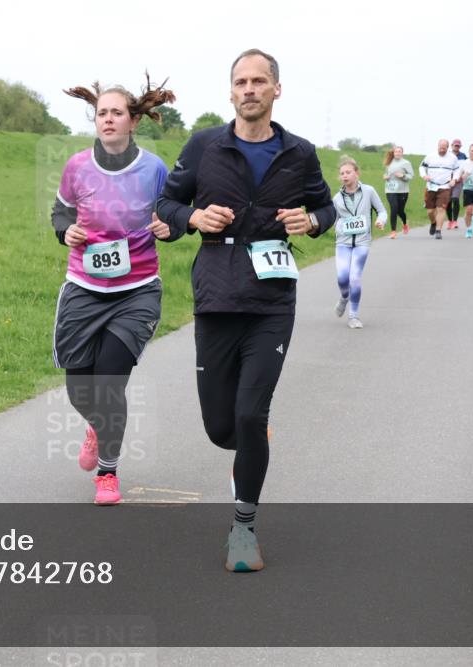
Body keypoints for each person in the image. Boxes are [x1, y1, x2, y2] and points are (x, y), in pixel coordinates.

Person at [155, 49, 336, 572]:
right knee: (221, 426)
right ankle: (251, 439)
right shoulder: (205, 146)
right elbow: (165, 206)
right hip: (217, 295)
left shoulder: (299, 152)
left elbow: (326, 206)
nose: (250, 88)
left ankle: (243, 529)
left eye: (259, 81)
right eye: (241, 81)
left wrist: (314, 221)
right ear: (230, 91)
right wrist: (193, 216)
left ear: (277, 89)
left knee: (251, 412)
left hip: (272, 302)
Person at [51, 76, 176, 505]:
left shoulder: (155, 169)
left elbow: (172, 214)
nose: (107, 119)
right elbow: (61, 211)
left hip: (136, 290)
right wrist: (66, 231)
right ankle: (97, 426)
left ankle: (108, 472)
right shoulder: (77, 166)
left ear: (133, 120)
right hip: (84, 287)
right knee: (79, 388)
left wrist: (168, 226)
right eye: (102, 112)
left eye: (116, 112)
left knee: (108, 384)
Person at [332, 157, 386, 328]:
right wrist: (339, 227)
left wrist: (381, 221)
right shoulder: (337, 198)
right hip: (343, 242)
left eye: (348, 172)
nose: (345, 176)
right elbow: (334, 221)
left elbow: (382, 211)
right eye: (342, 173)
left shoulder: (368, 191)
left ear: (356, 173)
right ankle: (344, 297)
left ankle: (353, 316)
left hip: (362, 242)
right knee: (342, 278)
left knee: (354, 277)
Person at [418, 139, 461, 240]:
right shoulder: (430, 156)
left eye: (444, 148)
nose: (442, 150)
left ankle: (438, 231)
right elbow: (421, 167)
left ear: (447, 147)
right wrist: (424, 176)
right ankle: (433, 222)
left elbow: (457, 170)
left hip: (445, 186)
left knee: (441, 209)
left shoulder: (452, 158)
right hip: (431, 186)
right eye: (440, 148)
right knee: (430, 211)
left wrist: (454, 179)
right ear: (438, 146)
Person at [382, 146, 413, 238]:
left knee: (400, 211)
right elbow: (385, 174)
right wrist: (385, 177)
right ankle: (393, 231)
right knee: (394, 208)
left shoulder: (406, 163)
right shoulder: (389, 163)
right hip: (390, 189)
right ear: (393, 153)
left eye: (400, 151)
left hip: (402, 190)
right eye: (396, 151)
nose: (398, 153)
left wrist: (402, 175)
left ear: (402, 153)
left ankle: (404, 224)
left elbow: (411, 176)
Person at [445, 139, 467, 229]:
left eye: (458, 146)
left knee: (455, 199)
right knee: (448, 202)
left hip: (458, 181)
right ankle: (450, 221)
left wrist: (461, 176)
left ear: (460, 147)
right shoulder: (447, 155)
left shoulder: (463, 156)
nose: (456, 147)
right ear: (452, 145)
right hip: (448, 181)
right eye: (455, 145)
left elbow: (466, 167)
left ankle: (455, 221)